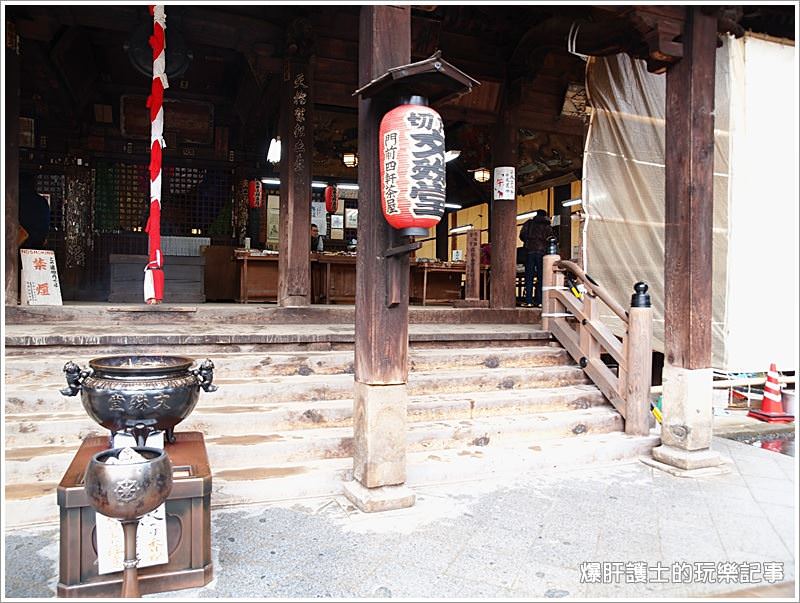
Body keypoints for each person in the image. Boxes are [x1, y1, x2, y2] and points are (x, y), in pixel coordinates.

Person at [519, 210, 555, 307]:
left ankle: (529, 301)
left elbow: (522, 235)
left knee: (529, 277)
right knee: (541, 277)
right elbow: (551, 238)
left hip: (530, 252)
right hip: (542, 253)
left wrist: (529, 240)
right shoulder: (547, 226)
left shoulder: (529, 223)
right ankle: (540, 301)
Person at [18, 173, 50, 249]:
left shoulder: (14, 200)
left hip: (18, 242)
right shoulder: (42, 202)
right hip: (36, 244)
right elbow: (45, 225)